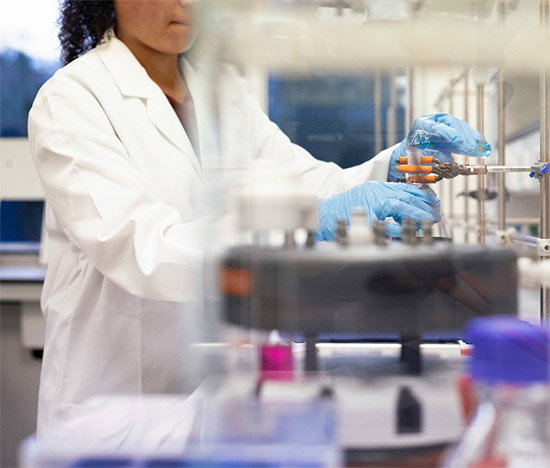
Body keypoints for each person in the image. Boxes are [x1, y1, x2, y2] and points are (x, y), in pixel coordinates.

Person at [28, 0, 487, 436]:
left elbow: (304, 183)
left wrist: (391, 168)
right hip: (117, 410)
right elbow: (142, 249)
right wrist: (307, 222)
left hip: (219, 398)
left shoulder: (223, 93)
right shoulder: (73, 99)